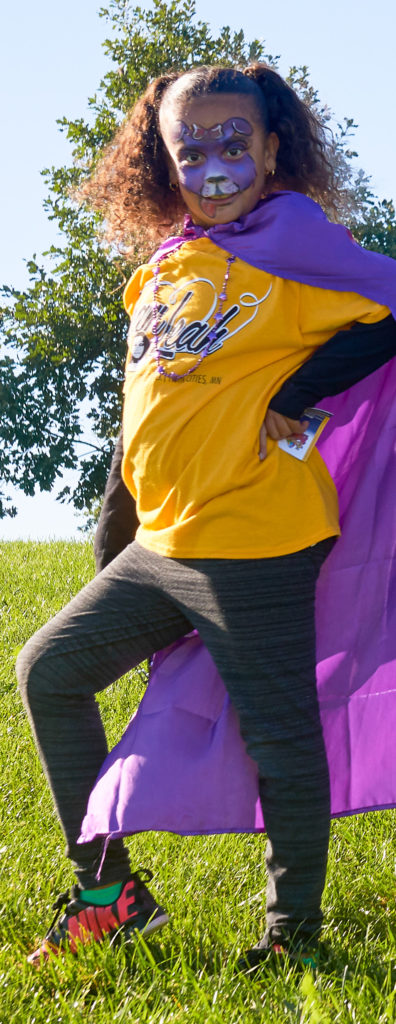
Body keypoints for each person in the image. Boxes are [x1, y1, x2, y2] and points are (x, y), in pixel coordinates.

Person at [16, 63, 396, 969]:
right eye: (191, 149)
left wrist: (307, 386)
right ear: (163, 160)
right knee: (50, 672)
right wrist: (117, 535)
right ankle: (110, 897)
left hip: (261, 539)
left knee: (279, 734)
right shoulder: (163, 268)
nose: (214, 165)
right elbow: (144, 414)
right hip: (165, 544)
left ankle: (292, 937)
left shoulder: (297, 244)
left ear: (271, 149)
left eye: (236, 144)